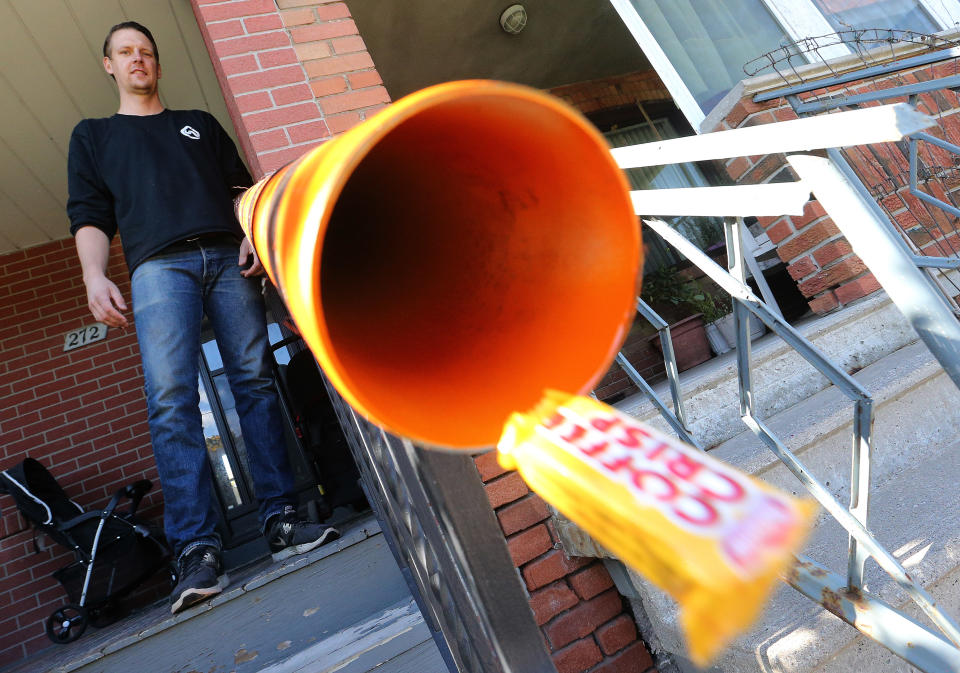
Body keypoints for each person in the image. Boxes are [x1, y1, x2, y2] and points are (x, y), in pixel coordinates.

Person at [66, 21, 340, 615]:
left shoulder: (200, 125)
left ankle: (283, 519)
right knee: (170, 399)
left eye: (147, 52)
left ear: (157, 66)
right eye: (125, 53)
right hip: (157, 270)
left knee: (256, 382)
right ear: (108, 66)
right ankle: (197, 550)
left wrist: (252, 233)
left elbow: (243, 190)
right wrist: (94, 274)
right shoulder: (93, 137)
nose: (138, 59)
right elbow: (88, 215)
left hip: (226, 258)